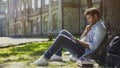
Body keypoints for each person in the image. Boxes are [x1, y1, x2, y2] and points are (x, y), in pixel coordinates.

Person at [30, 7, 106, 66]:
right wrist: (85, 32)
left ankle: (45, 58)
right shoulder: (93, 26)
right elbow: (82, 38)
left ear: (95, 16)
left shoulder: (100, 28)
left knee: (62, 37)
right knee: (63, 32)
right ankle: (57, 55)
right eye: (87, 19)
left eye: (89, 18)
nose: (88, 20)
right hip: (81, 47)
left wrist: (78, 42)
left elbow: (94, 47)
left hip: (82, 52)